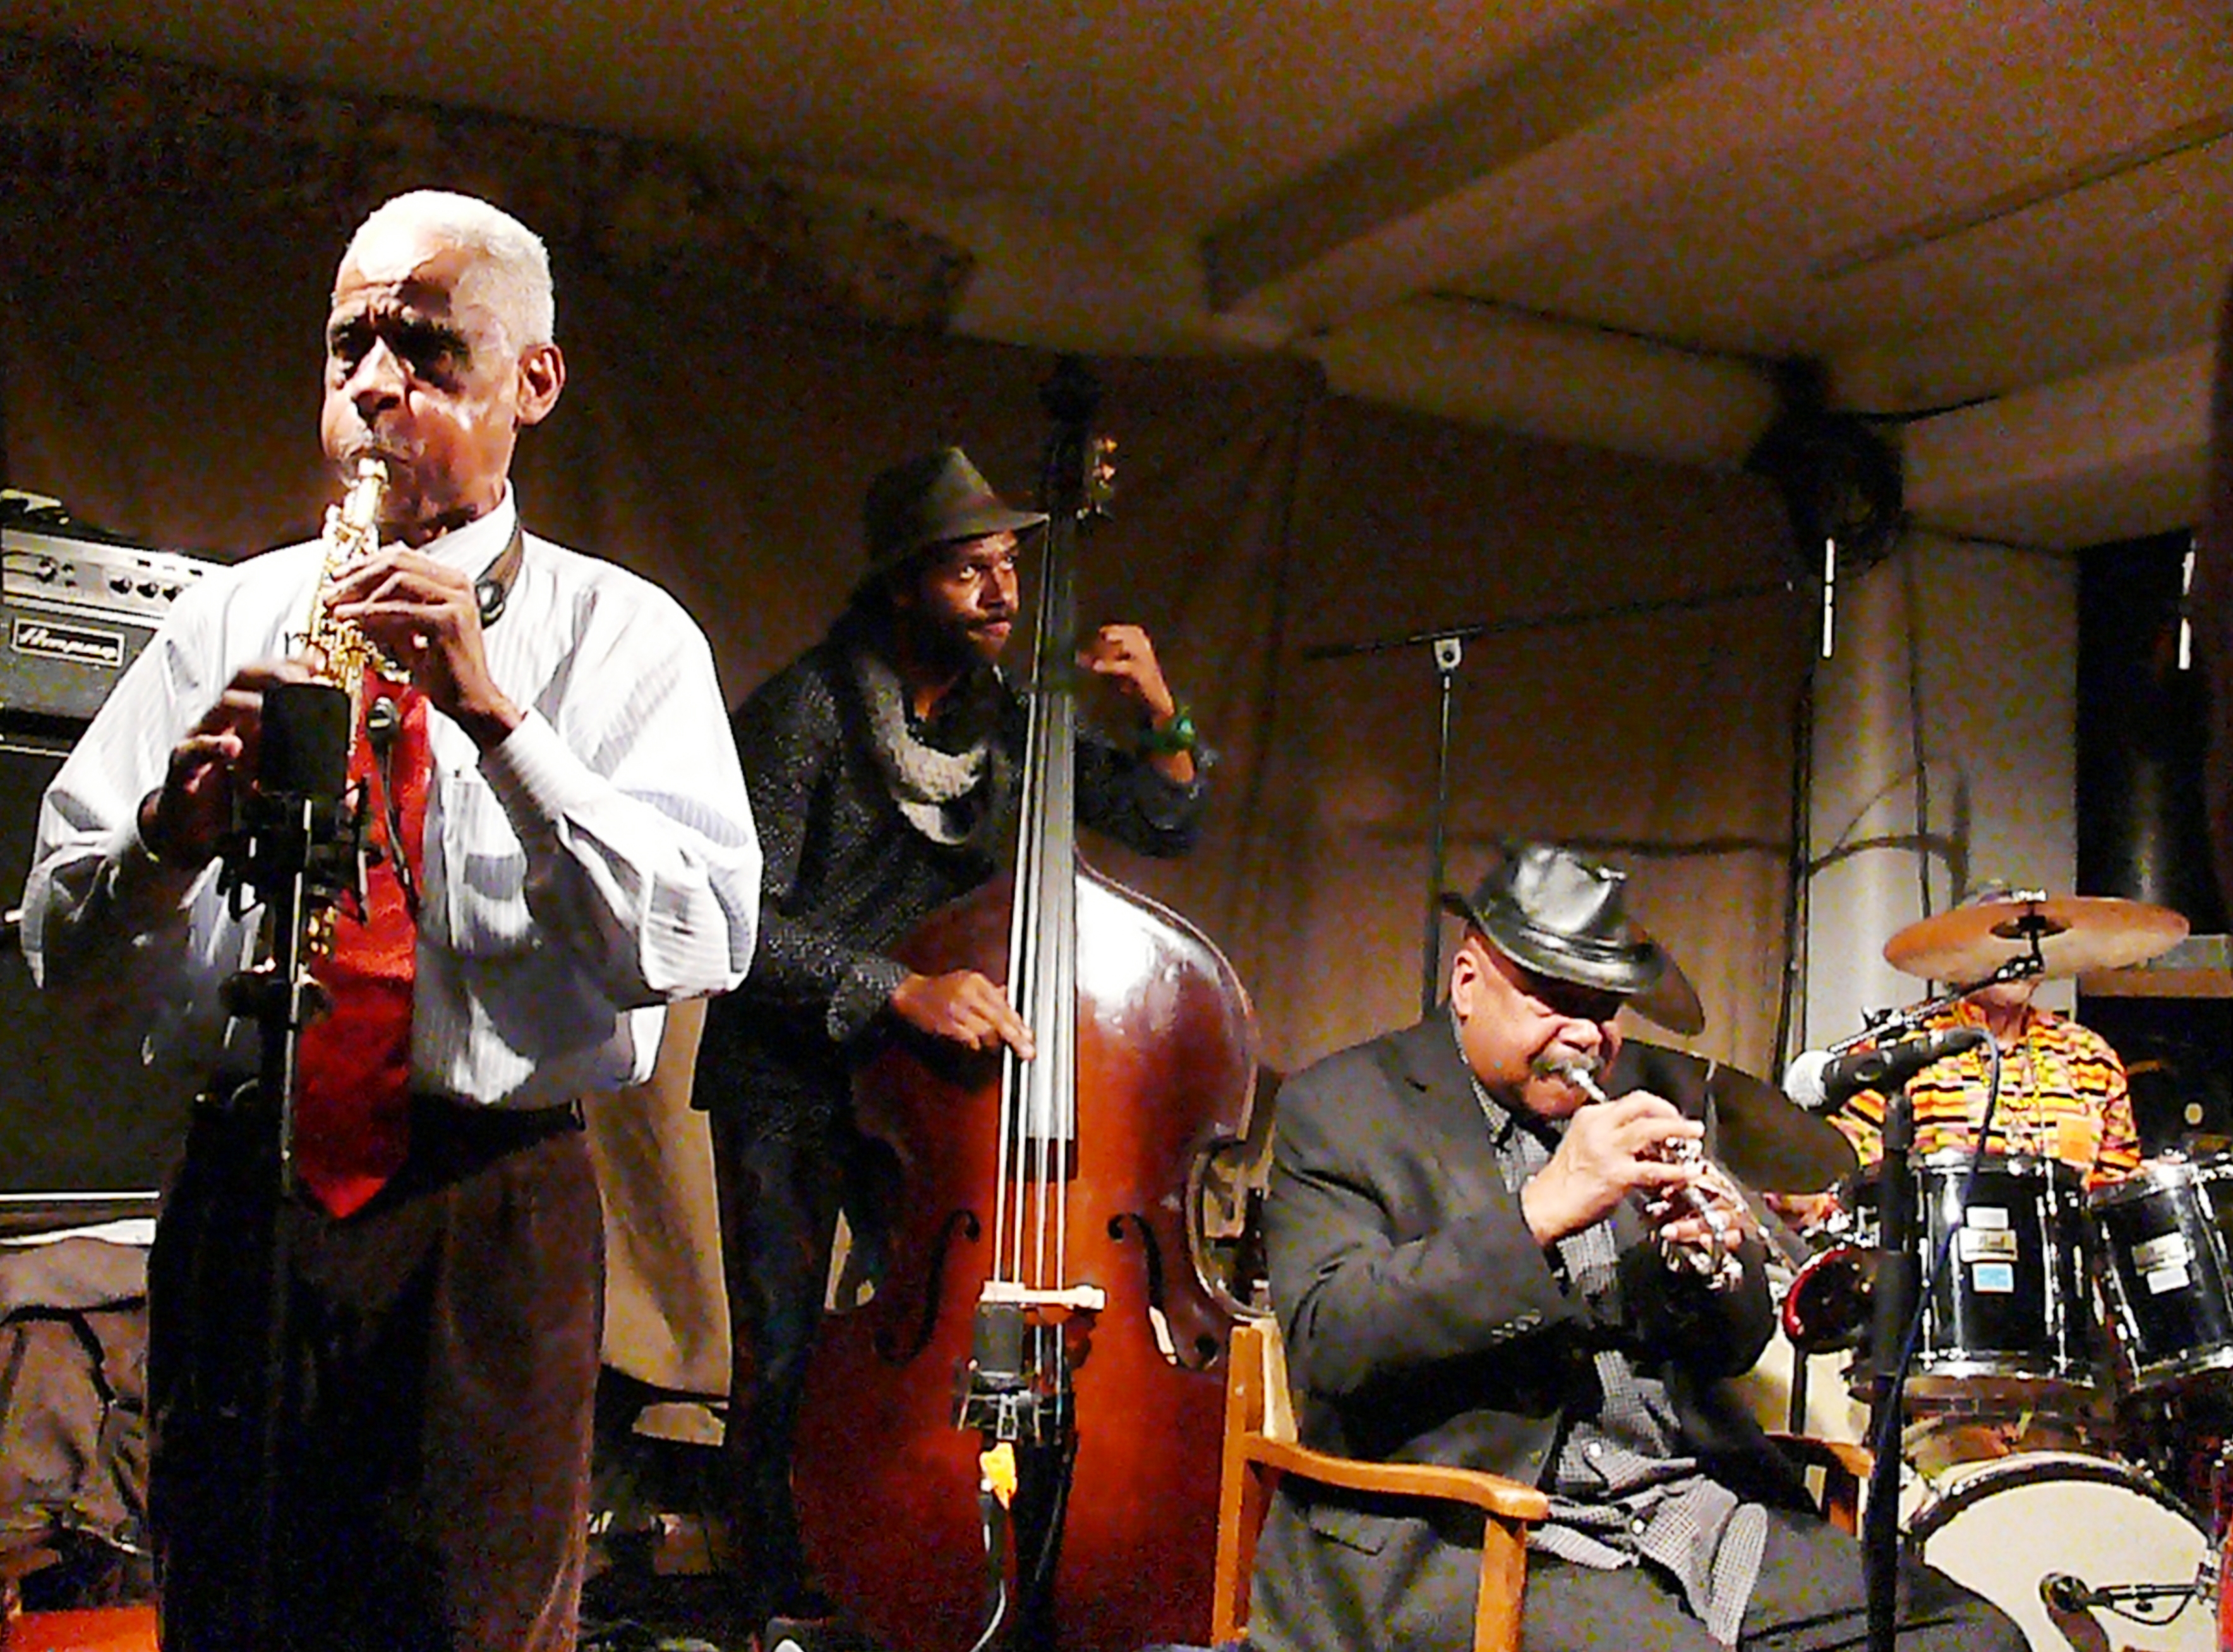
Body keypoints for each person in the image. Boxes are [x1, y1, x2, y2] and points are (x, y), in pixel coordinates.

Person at [20, 190, 761, 1652]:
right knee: (227, 1606)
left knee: (471, 1622)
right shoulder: (223, 621)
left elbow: (697, 940)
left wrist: (500, 718)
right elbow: (51, 957)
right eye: (349, 345)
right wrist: (167, 840)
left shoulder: (626, 639)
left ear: (531, 384)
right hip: (247, 1187)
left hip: (485, 1211)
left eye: (426, 349)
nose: (372, 386)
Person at [1249, 841, 2023, 1652]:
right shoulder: (1344, 1105)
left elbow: (1730, 1350)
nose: (1588, 1035)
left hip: (1686, 1507)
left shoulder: (1651, 1096)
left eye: (1607, 1007)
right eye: (1556, 998)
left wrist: (1710, 1266)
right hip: (1473, 1525)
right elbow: (1329, 1341)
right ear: (1468, 981)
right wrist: (1538, 1212)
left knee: (1971, 1635)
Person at [690, 444, 1206, 1639]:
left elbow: (1169, 818)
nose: (1003, 594)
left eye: (1011, 566)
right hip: (789, 1080)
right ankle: (771, 1602)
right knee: (781, 1356)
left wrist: (1161, 706)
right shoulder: (807, 710)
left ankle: (899, 1580)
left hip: (921, 1102)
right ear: (902, 584)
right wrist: (891, 988)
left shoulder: (1009, 725)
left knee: (913, 1364)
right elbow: (727, 929)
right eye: (971, 570)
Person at [1805, 893, 2140, 1198]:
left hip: (2063, 1260)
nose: (2016, 952)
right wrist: (1806, 1198)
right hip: (1937, 1258)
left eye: (2026, 942)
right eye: (2002, 942)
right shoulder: (1904, 1046)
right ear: (1956, 958)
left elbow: (2116, 1189)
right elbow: (1843, 1172)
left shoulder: (2091, 1057)